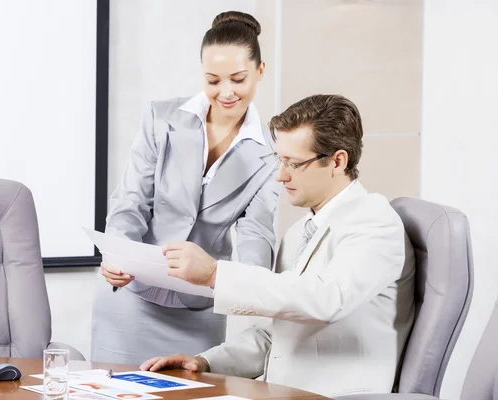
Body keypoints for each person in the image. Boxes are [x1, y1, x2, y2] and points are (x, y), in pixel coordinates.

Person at [141, 94, 416, 398]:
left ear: (338, 161)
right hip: (283, 392)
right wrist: (206, 362)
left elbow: (325, 299)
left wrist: (215, 274)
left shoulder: (374, 222)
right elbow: (278, 335)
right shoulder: (301, 231)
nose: (280, 175)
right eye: (280, 160)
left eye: (294, 164)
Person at [91, 11, 280, 365]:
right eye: (213, 80)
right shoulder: (161, 119)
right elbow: (131, 200)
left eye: (238, 79)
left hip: (199, 308)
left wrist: (252, 287)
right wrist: (117, 254)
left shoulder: (270, 154)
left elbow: (257, 232)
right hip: (129, 298)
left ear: (260, 71)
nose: (226, 93)